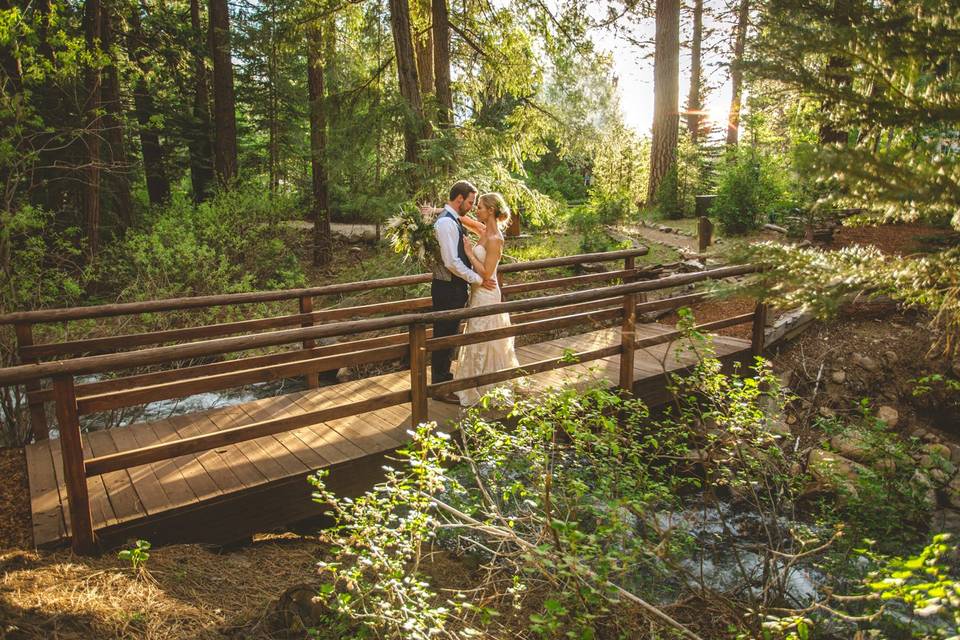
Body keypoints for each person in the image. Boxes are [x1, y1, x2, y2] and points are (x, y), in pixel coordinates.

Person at [451, 192, 520, 407]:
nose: (476, 210)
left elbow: (487, 274)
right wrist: (437, 211)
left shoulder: (495, 239)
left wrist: (470, 253)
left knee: (485, 335)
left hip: (487, 292)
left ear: (490, 210)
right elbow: (462, 218)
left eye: (479, 206)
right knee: (475, 333)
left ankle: (487, 385)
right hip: (478, 293)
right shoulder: (482, 229)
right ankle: (473, 381)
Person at [430, 181, 496, 402]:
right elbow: (451, 262)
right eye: (470, 202)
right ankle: (440, 387)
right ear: (459, 199)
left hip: (453, 288)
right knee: (444, 337)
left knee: (448, 336)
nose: (471, 206)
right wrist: (477, 279)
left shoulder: (452, 219)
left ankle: (444, 381)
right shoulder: (447, 224)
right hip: (447, 288)